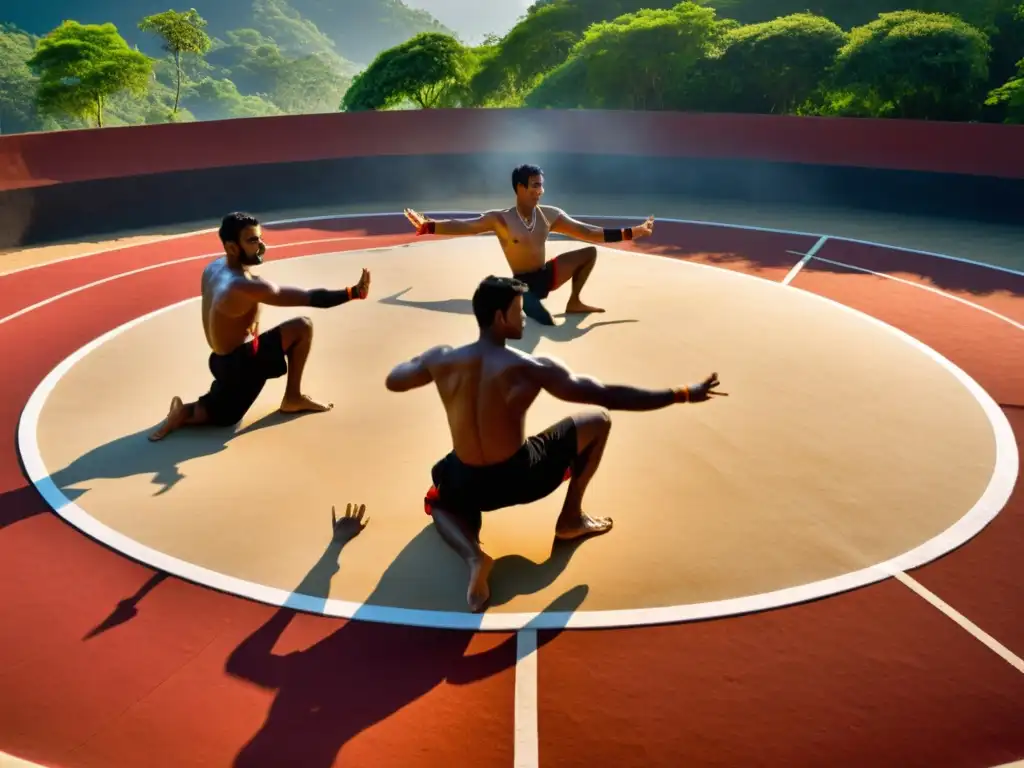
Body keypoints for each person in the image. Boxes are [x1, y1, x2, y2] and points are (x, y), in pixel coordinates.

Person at [384, 275, 725, 612]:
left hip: (468, 483)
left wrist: (429, 361)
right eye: (519, 311)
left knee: (441, 496)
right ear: (501, 317)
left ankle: (474, 556)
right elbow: (606, 395)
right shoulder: (529, 367)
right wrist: (681, 394)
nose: (523, 318)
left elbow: (395, 380)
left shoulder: (443, 360)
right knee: (599, 420)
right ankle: (570, 518)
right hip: (523, 478)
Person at [149, 212, 372, 441]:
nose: (261, 245)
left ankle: (289, 397)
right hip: (239, 366)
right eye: (253, 241)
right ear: (233, 247)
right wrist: (353, 293)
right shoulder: (245, 286)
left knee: (298, 328)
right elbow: (310, 297)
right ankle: (185, 413)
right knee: (302, 328)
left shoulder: (214, 268)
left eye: (260, 238)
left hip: (222, 360)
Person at [403, 163, 655, 326]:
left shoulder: (550, 215)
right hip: (522, 285)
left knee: (588, 252)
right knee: (543, 321)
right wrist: (430, 226)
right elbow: (466, 226)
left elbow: (588, 232)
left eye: (541, 186)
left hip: (547, 275)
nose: (540, 191)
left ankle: (574, 301)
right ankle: (530, 304)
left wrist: (632, 232)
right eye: (535, 186)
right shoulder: (501, 219)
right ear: (520, 188)